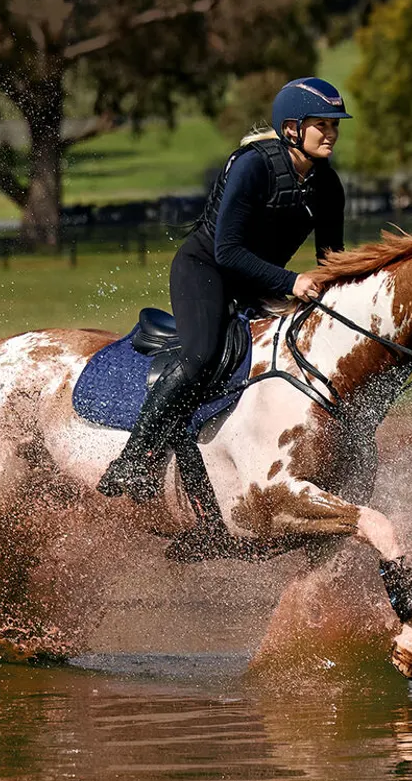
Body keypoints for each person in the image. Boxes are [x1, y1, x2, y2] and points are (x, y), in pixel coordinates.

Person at [97, 76, 350, 503]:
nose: (331, 133)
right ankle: (132, 458)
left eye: (335, 125)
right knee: (200, 355)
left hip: (258, 281)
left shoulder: (328, 186)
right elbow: (228, 250)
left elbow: (332, 260)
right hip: (206, 269)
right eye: (321, 124)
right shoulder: (253, 165)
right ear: (292, 128)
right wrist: (292, 281)